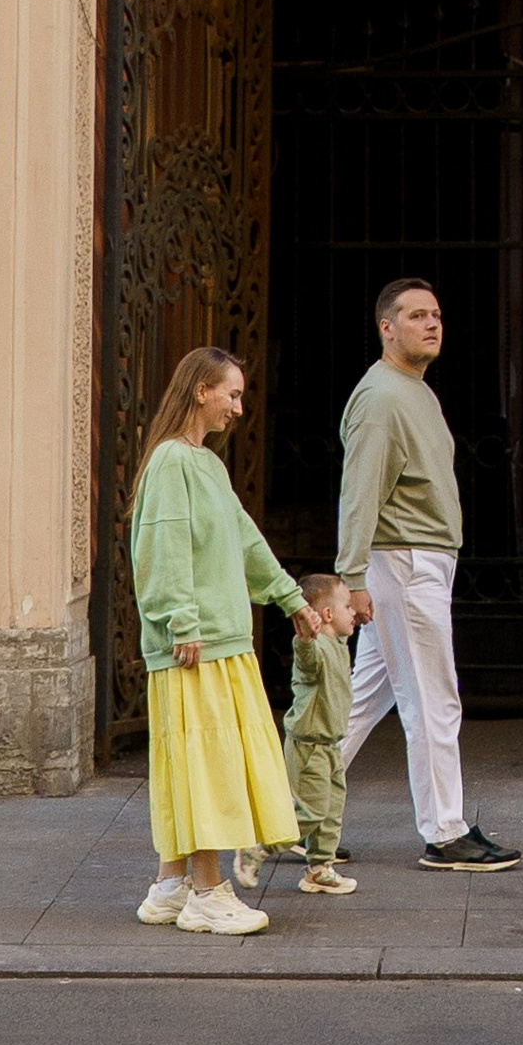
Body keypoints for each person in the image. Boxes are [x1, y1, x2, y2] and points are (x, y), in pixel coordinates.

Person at [129, 343, 319, 938]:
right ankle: (209, 892)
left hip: (216, 641)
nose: (239, 408)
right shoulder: (171, 462)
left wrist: (291, 597)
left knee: (194, 761)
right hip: (198, 644)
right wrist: (181, 622)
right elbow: (163, 546)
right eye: (232, 394)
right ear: (200, 392)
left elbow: (244, 540)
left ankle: (171, 885)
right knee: (205, 766)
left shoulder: (205, 465)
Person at [336, 275, 520, 873]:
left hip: (414, 562)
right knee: (434, 702)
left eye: (436, 314)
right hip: (405, 563)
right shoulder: (382, 397)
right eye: (415, 315)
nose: (431, 323)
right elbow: (359, 492)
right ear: (385, 327)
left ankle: (285, 814)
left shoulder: (413, 390)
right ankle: (445, 831)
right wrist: (352, 575)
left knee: (363, 700)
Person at [279, 571, 365, 895]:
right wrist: (304, 636)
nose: (352, 610)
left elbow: (352, 621)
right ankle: (265, 844)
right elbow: (307, 660)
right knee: (311, 811)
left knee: (331, 812)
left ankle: (320, 869)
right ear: (327, 615)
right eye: (346, 606)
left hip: (330, 745)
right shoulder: (315, 648)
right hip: (310, 746)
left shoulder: (340, 644)